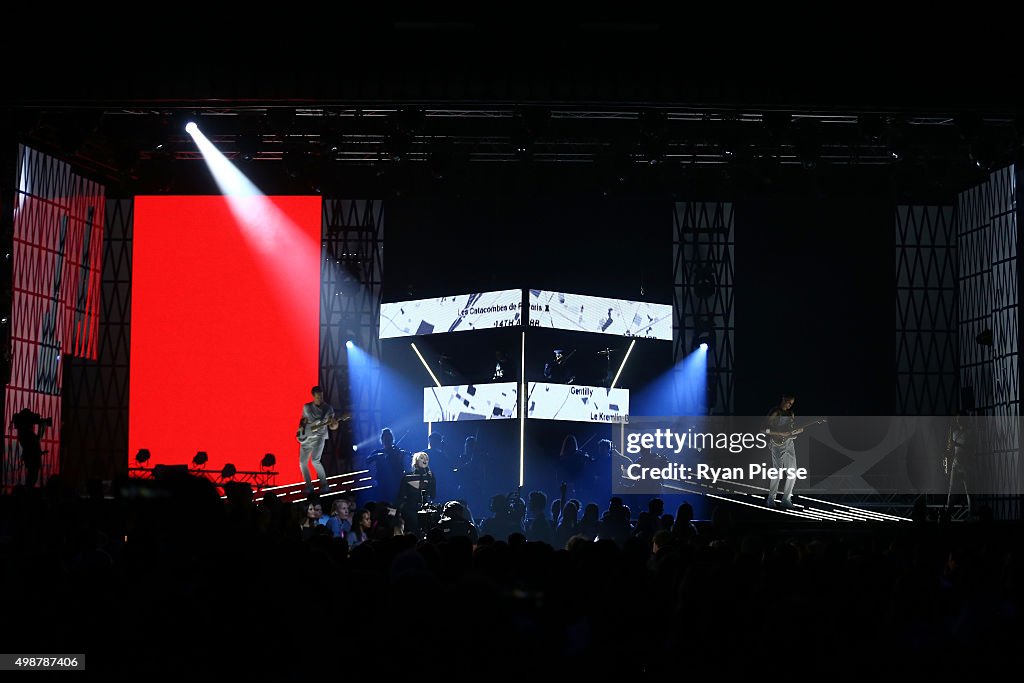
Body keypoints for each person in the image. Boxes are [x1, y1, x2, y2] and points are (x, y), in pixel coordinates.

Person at [297, 385, 339, 495]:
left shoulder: (328, 408)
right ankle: (309, 486)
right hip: (306, 438)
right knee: (302, 463)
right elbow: (303, 420)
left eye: (321, 396)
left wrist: (334, 425)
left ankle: (325, 485)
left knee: (315, 460)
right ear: (313, 396)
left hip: (319, 437)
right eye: (318, 397)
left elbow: (332, 425)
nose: (320, 398)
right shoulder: (307, 407)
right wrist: (300, 429)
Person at [763, 394, 800, 509]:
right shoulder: (775, 412)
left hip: (790, 443)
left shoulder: (791, 413)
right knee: (777, 472)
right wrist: (779, 433)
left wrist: (797, 431)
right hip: (777, 444)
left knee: (793, 472)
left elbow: (791, 429)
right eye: (788, 402)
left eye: (792, 403)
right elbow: (764, 429)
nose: (790, 405)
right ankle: (770, 499)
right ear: (783, 400)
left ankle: (786, 499)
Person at [396, 451, 436, 533]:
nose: (425, 460)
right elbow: (401, 496)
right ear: (416, 461)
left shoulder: (431, 476)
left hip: (425, 509)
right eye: (422, 458)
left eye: (427, 458)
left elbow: (432, 495)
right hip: (410, 509)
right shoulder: (407, 477)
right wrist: (395, 510)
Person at [11, 408, 49, 487]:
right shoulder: (26, 433)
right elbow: (36, 441)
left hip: (31, 458)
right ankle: (27, 494)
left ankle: (27, 493)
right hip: (32, 459)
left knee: (31, 478)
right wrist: (42, 427)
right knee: (32, 478)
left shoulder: (23, 432)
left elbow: (34, 443)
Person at [367, 427, 406, 504]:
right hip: (382, 482)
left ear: (391, 440)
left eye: (388, 440)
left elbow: (401, 466)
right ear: (382, 440)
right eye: (385, 440)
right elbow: (367, 460)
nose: (387, 442)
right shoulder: (378, 452)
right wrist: (377, 455)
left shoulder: (397, 451)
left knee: (394, 503)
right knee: (382, 502)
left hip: (395, 483)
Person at [946, 412, 973, 515]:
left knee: (968, 491)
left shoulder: (970, 433)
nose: (958, 420)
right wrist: (950, 449)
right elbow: (952, 449)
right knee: (951, 489)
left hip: (966, 466)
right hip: (955, 465)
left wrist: (956, 444)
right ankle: (948, 513)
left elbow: (972, 449)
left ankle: (970, 514)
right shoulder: (954, 433)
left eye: (960, 418)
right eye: (957, 418)